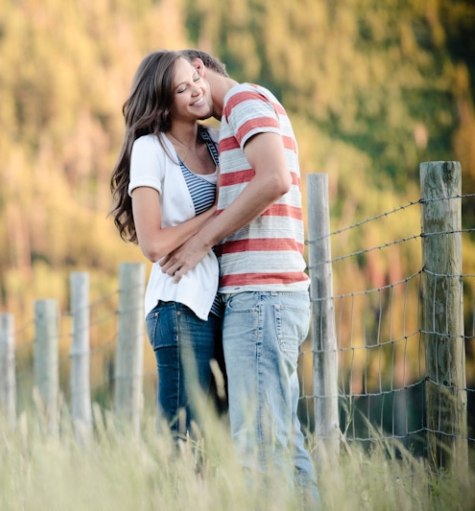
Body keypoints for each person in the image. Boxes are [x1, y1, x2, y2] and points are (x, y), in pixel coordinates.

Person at [160, 49, 320, 502]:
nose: (184, 106)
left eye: (184, 88)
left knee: (258, 449)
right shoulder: (240, 113)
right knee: (284, 446)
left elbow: (274, 178)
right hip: (269, 297)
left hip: (260, 296)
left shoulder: (242, 101)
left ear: (199, 69)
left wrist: (201, 241)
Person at [110, 50, 225, 442]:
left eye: (195, 79)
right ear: (164, 101)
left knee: (217, 444)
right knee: (182, 442)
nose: (195, 90)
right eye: (181, 88)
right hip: (178, 307)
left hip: (223, 304)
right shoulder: (151, 149)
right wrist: (218, 214)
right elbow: (154, 243)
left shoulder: (217, 141)